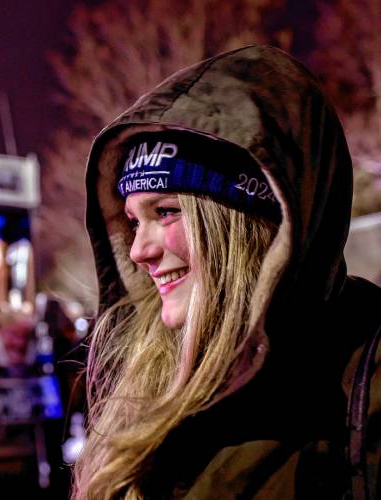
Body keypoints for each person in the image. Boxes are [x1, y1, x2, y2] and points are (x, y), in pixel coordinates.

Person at [75, 45, 381, 499]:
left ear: (244, 222)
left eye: (166, 212)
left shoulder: (365, 372)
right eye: (134, 221)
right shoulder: (145, 380)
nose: (139, 250)